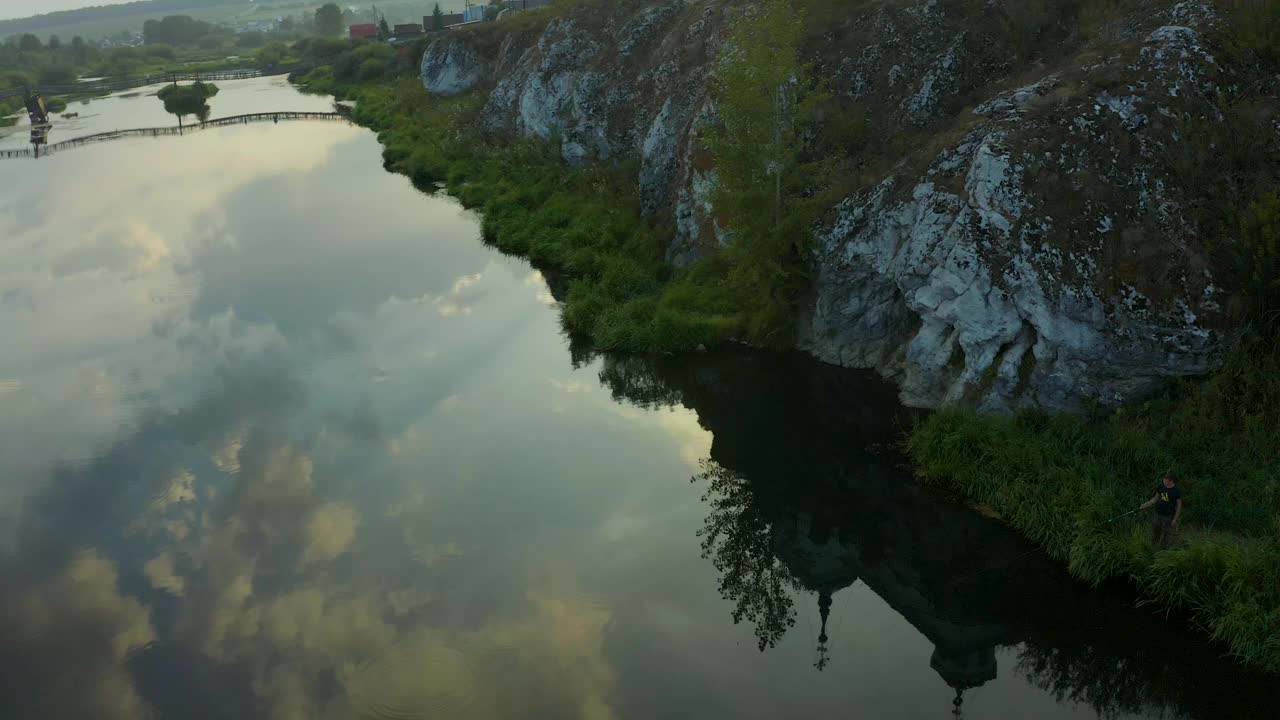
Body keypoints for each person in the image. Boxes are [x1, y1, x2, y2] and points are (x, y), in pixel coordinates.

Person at [1140, 473, 1182, 548]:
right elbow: (1155, 499)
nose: (1163, 482)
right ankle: (1153, 548)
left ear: (1171, 481)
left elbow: (1179, 506)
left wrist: (1175, 519)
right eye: (1163, 480)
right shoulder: (1161, 487)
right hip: (1158, 513)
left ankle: (1163, 550)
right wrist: (1145, 504)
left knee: (1166, 534)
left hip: (1168, 516)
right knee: (1155, 532)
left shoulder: (1176, 491)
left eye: (1165, 480)